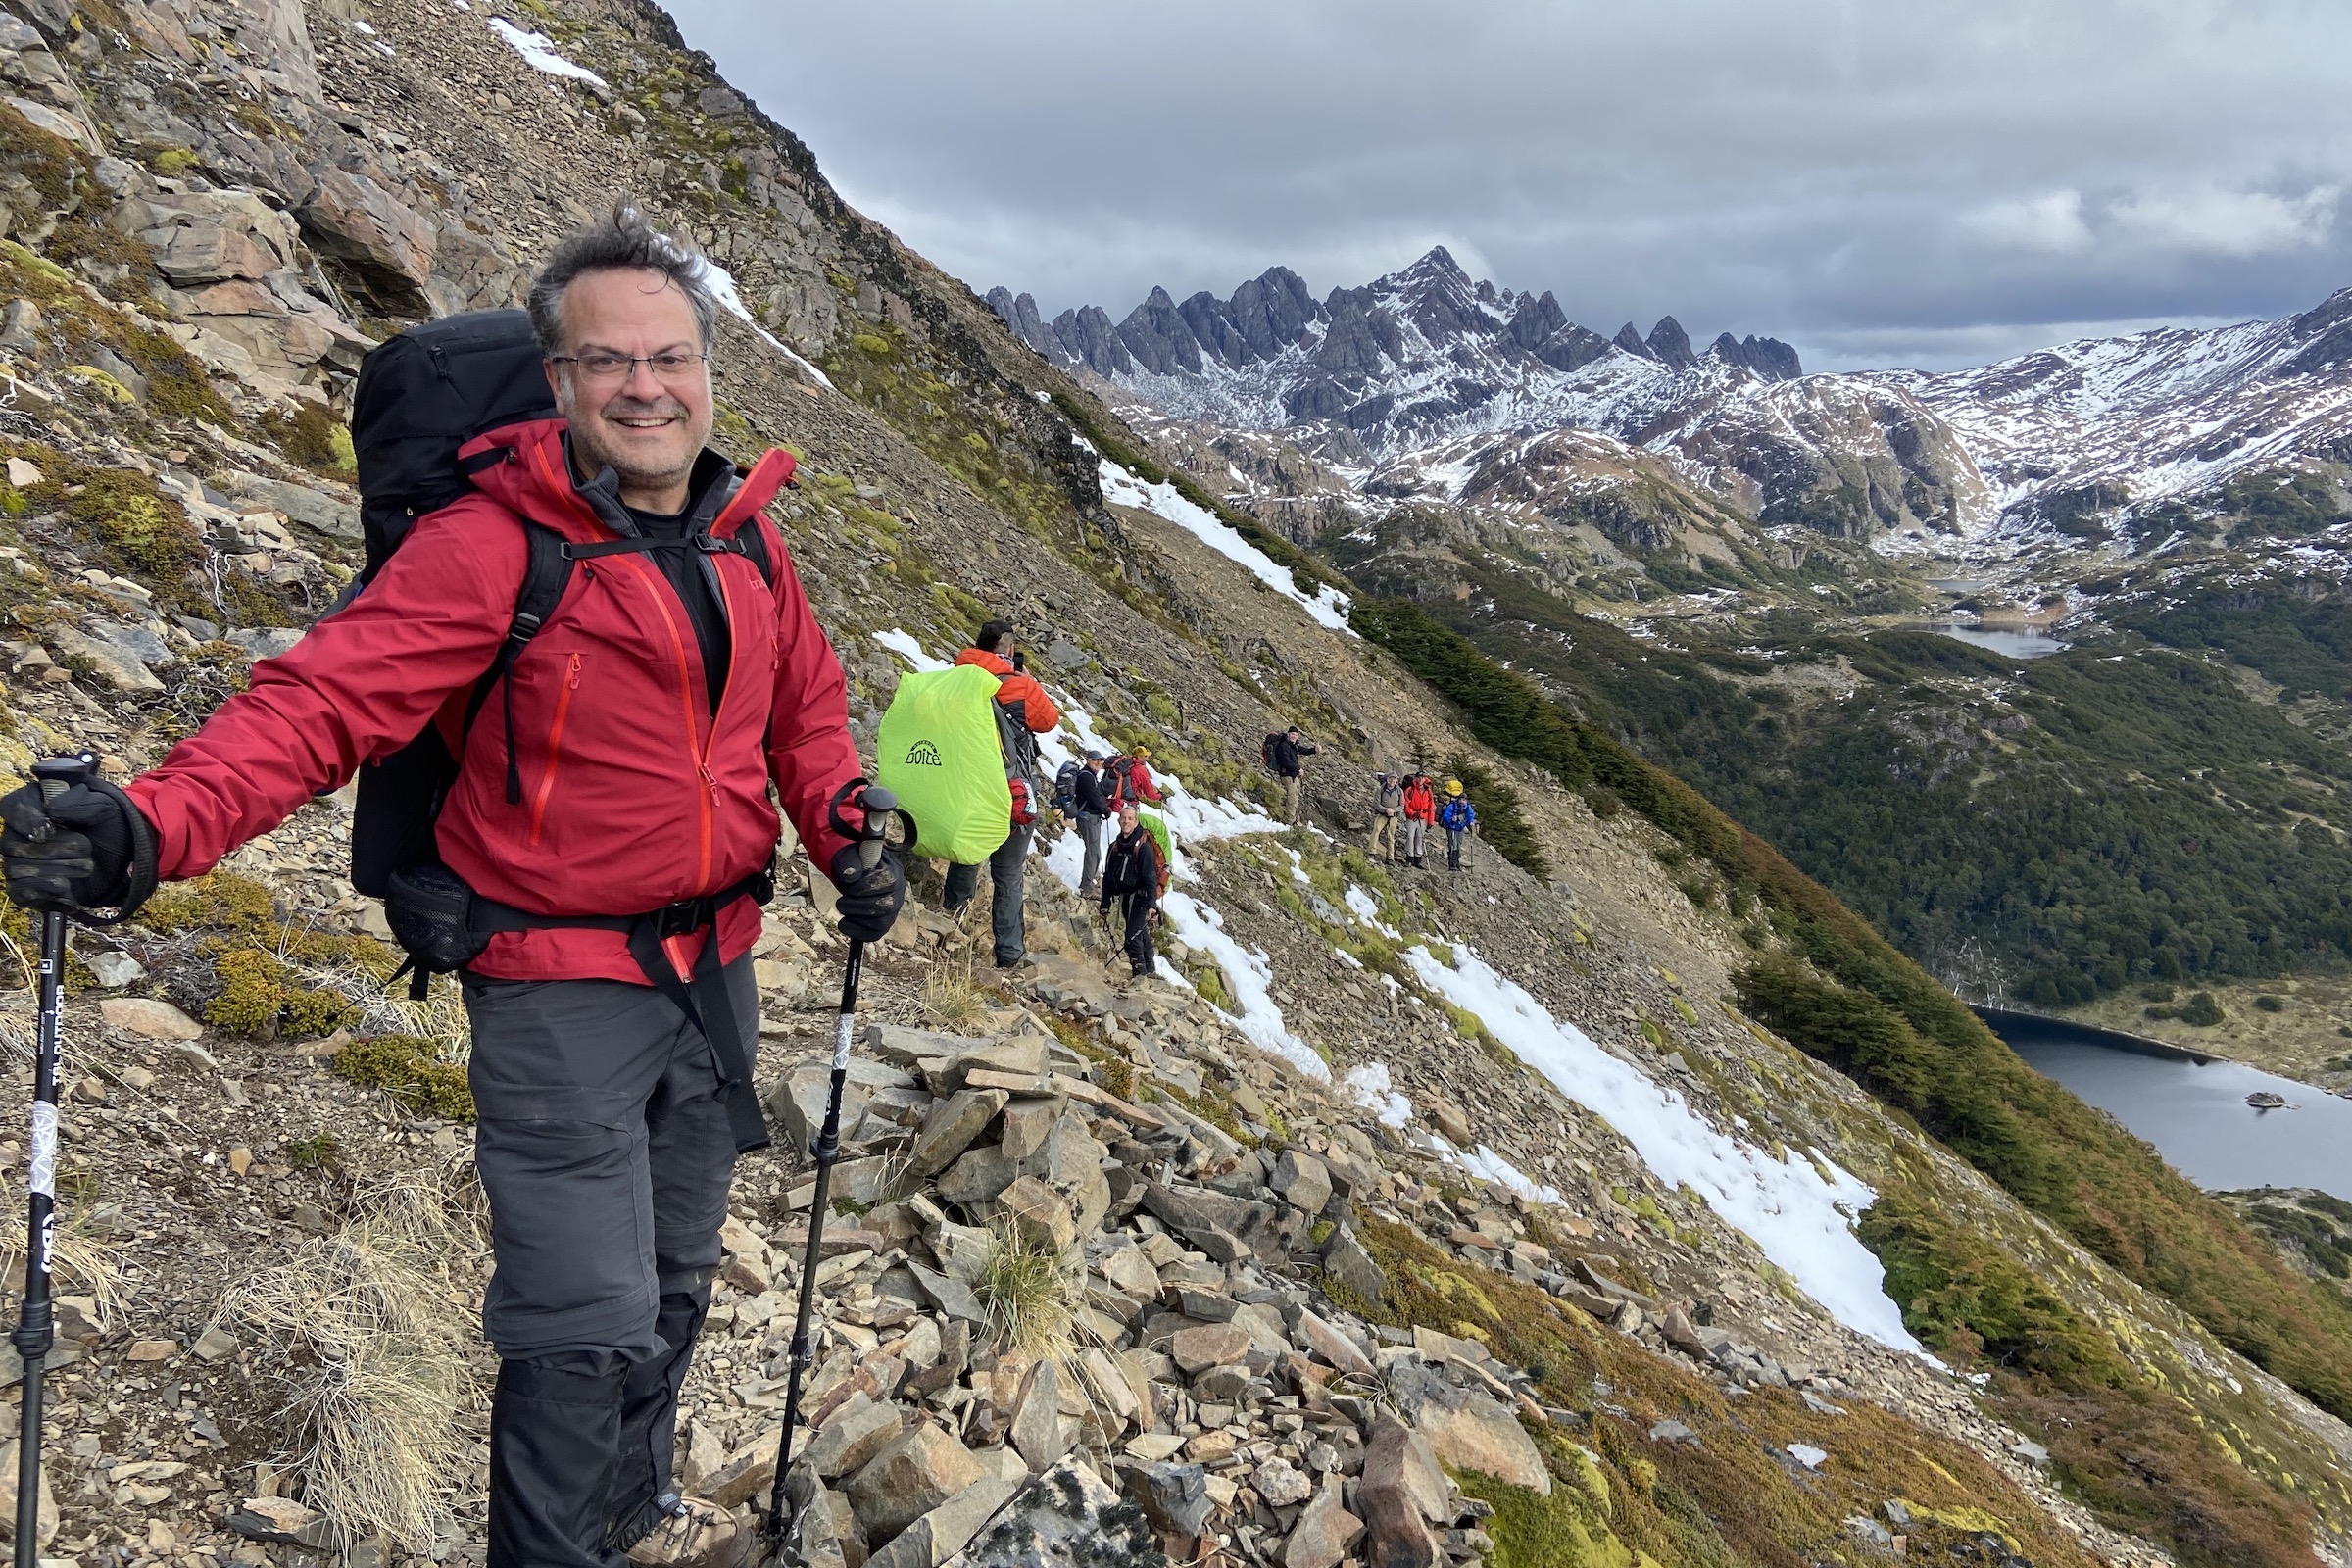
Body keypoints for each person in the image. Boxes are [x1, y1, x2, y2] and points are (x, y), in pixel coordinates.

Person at [0, 206, 909, 1567]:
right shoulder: (494, 546)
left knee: (670, 1282)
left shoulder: (747, 537)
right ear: (559, 383)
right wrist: (148, 830)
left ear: (709, 370)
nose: (645, 385)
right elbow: (319, 706)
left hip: (714, 974)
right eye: (608, 363)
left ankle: (628, 1514)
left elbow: (805, 710)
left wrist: (847, 824)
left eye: (668, 357)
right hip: (557, 985)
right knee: (578, 1318)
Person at [942, 618, 1059, 967]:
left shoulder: (957, 676)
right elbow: (1048, 720)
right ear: (1009, 648)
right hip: (1011, 790)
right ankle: (1009, 953)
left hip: (968, 784)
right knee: (1008, 874)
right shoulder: (1018, 686)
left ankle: (951, 922)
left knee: (967, 853)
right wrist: (1023, 678)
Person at [1098, 800, 1164, 978]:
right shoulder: (1115, 847)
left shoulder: (1144, 849)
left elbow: (1150, 878)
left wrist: (1151, 905)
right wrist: (1105, 903)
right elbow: (1109, 877)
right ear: (1119, 821)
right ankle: (1150, 970)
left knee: (1132, 936)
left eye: (1130, 819)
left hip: (1140, 898)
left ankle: (1140, 974)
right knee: (1138, 932)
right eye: (1123, 818)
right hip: (1125, 897)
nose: (1126, 821)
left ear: (1136, 822)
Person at [1074, 751, 1113, 898]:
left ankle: (1088, 884)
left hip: (1089, 817)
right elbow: (1094, 797)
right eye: (1095, 760)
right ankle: (1086, 887)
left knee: (1093, 851)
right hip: (1088, 818)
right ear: (1087, 760)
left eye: (1101, 760)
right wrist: (1105, 810)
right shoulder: (1086, 777)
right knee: (1093, 852)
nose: (1098, 762)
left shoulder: (1089, 775)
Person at [1262, 724, 1319, 824]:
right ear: (1288, 734)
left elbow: (1304, 751)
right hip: (1287, 775)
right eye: (1292, 734)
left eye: (1296, 735)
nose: (1294, 736)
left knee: (1294, 796)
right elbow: (1286, 761)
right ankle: (1288, 821)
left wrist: (1314, 750)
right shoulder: (1283, 746)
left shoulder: (1293, 745)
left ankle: (1290, 816)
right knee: (1292, 798)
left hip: (1293, 775)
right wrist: (1298, 769)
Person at [1439, 777, 1479, 873]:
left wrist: (1471, 822)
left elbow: (1470, 815)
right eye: (1461, 799)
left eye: (1464, 800)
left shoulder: (1467, 807)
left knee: (1458, 845)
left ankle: (1456, 864)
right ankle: (1452, 864)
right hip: (1451, 828)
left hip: (1459, 828)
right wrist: (1451, 820)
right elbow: (1445, 817)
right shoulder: (1452, 806)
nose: (1462, 801)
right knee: (1453, 845)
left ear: (1466, 800)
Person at [1401, 770, 1436, 868]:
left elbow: (1431, 806)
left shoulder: (1428, 790)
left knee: (1419, 838)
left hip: (1422, 817)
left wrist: (1430, 821)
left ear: (1425, 779)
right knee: (1410, 837)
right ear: (1416, 778)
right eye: (1419, 777)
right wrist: (1412, 813)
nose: (1421, 779)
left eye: (1422, 778)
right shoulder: (1410, 789)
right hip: (1412, 817)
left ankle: (1417, 859)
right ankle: (1409, 857)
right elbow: (1406, 804)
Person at [1369, 771, 1402, 862]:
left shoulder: (1400, 791)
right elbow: (1376, 803)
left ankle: (1390, 856)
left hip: (1393, 816)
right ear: (1387, 779)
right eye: (1390, 778)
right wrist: (1385, 810)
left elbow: (1401, 806)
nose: (1392, 780)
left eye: (1394, 779)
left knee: (1390, 835)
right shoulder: (1380, 789)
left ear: (1396, 780)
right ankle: (1372, 851)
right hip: (1382, 814)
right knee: (1376, 830)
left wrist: (1393, 810)